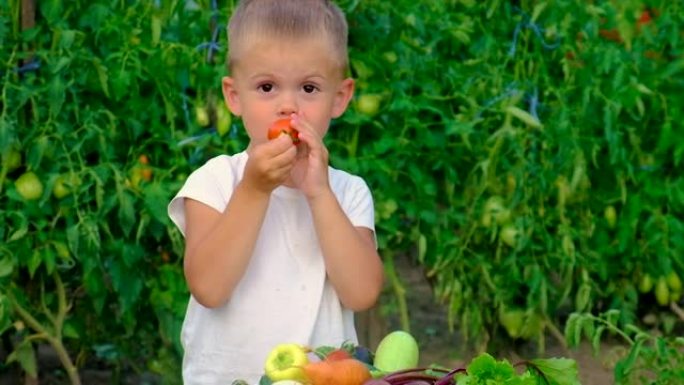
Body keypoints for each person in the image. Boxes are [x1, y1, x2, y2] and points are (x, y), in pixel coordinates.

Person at [167, 0, 384, 383]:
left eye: (309, 87)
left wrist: (319, 194)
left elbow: (362, 293)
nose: (288, 105)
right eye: (267, 87)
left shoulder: (347, 192)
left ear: (340, 97)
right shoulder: (215, 182)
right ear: (235, 97)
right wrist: (253, 190)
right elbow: (209, 288)